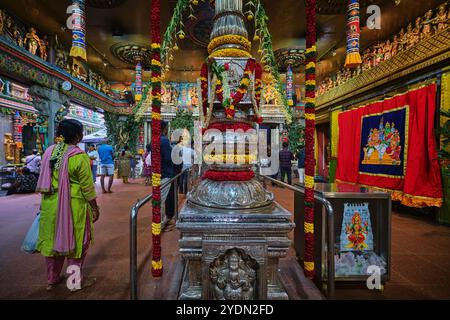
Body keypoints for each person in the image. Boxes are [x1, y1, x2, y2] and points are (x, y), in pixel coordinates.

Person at [36, 119, 100, 292]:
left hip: (50, 205)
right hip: (73, 206)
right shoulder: (79, 156)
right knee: (76, 242)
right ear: (78, 136)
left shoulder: (50, 152)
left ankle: (52, 279)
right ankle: (73, 282)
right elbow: (87, 187)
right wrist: (95, 207)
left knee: (51, 242)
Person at [160, 121, 174, 229]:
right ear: (165, 128)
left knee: (159, 198)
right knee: (162, 198)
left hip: (158, 173)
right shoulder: (164, 141)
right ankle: (160, 224)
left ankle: (161, 221)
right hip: (165, 173)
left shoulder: (154, 140)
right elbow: (169, 158)